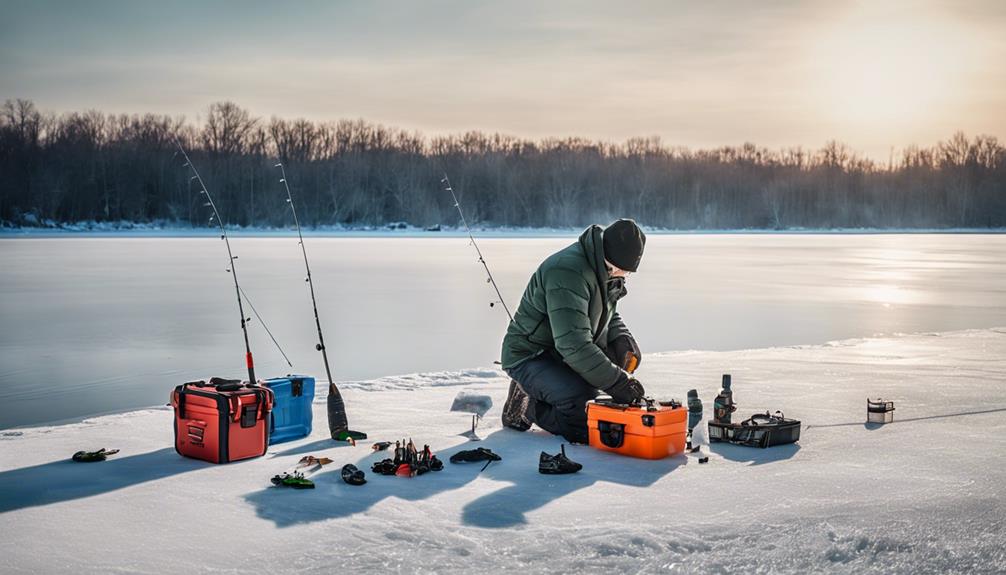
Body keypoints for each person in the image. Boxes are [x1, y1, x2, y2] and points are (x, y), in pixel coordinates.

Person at [500, 219, 647, 444]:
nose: (622, 275)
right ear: (608, 257)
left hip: (562, 351)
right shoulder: (567, 273)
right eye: (619, 270)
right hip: (532, 355)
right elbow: (574, 344)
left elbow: (605, 312)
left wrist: (621, 337)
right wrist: (618, 382)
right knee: (583, 412)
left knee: (615, 368)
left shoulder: (604, 269)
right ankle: (526, 405)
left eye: (626, 272)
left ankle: (552, 390)